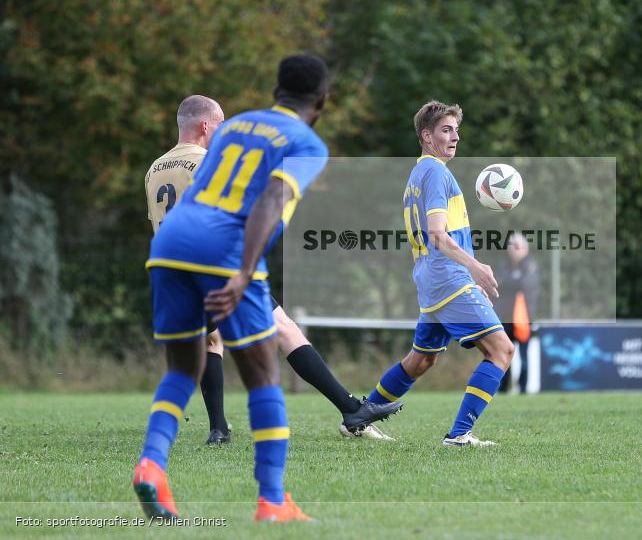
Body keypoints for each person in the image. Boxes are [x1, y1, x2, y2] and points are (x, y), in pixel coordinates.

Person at [134, 54, 361, 523]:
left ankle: (152, 466)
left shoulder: (234, 127)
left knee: (182, 369)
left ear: (277, 90)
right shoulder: (305, 142)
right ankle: (273, 501)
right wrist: (242, 272)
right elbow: (270, 201)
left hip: (169, 244)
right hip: (225, 249)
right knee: (263, 375)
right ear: (321, 100)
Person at [145, 96, 400, 445]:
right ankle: (351, 409)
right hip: (219, 262)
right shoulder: (210, 163)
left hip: (176, 269)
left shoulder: (154, 170)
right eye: (220, 123)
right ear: (205, 126)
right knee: (284, 329)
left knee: (211, 340)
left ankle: (218, 428)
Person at [365, 100, 515, 446]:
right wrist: (475, 266)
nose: (455, 137)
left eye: (456, 131)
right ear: (426, 136)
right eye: (446, 130)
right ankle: (460, 435)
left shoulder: (419, 172)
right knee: (502, 350)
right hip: (449, 278)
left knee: (421, 360)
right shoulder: (435, 172)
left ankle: (361, 417)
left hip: (430, 278)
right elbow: (438, 234)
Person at [495, 232, 539, 394]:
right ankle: (503, 389)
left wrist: (510, 281)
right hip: (505, 318)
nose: (515, 250)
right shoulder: (502, 265)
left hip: (525, 319)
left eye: (519, 246)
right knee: (505, 355)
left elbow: (526, 283)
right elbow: (499, 283)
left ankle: (523, 389)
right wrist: (514, 281)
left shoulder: (531, 265)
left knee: (524, 357)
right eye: (512, 246)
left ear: (525, 249)